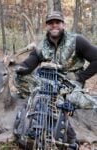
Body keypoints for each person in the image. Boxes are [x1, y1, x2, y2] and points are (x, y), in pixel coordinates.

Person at [14, 11, 97, 148]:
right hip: (48, 81)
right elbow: (28, 65)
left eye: (57, 23)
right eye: (50, 23)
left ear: (63, 24)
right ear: (47, 26)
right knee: (18, 78)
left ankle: (69, 134)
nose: (54, 26)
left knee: (73, 101)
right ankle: (37, 107)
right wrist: (14, 65)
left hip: (70, 83)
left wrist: (80, 77)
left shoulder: (76, 40)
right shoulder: (41, 46)